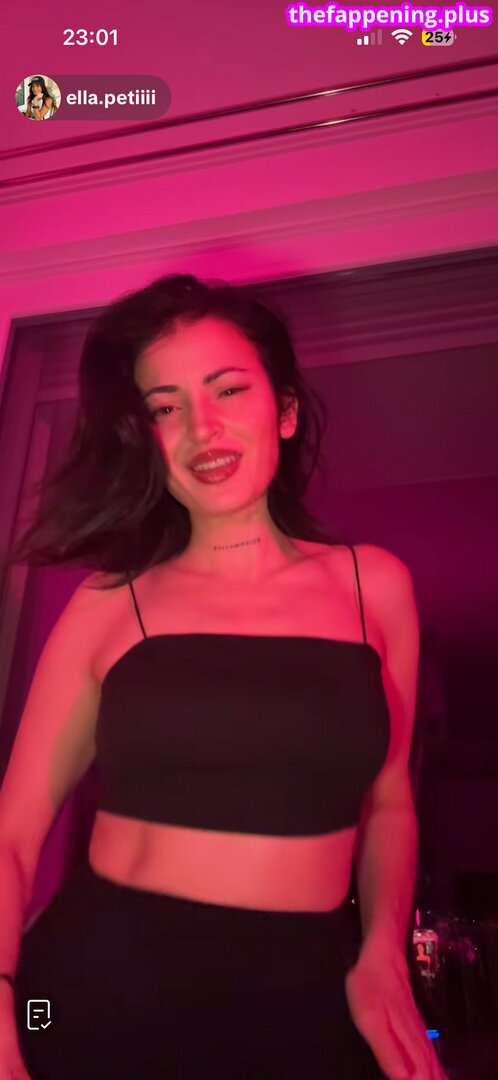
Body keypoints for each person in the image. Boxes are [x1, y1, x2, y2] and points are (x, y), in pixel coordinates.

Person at [0, 274, 447, 1078]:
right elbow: (12, 833)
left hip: (307, 990)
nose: (201, 427)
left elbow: (388, 803)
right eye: (164, 407)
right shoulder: (110, 601)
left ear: (286, 409)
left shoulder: (374, 585)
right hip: (89, 988)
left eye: (228, 389)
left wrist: (383, 953)